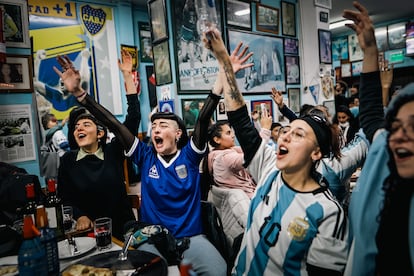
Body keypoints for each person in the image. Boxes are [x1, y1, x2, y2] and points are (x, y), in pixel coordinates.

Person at [54, 31, 253, 275]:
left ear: (179, 133)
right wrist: (79, 94)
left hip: (192, 239)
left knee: (220, 271)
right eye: (154, 125)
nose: (156, 128)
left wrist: (225, 72)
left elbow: (203, 117)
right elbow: (113, 123)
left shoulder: (190, 156)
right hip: (152, 238)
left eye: (164, 125)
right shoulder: (145, 155)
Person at [209, 27, 348, 274]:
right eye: (287, 130)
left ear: (316, 153)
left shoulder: (327, 212)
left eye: (298, 134)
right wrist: (225, 65)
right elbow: (240, 120)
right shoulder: (269, 166)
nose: (286, 135)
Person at [341, 2, 413, 275]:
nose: (401, 134)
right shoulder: (386, 146)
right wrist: (370, 52)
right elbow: (371, 114)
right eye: (396, 125)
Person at [56, 49, 138, 241]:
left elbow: (133, 119)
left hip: (123, 230)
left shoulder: (113, 151)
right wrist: (80, 215)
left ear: (100, 133)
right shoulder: (68, 160)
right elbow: (64, 199)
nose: (79, 129)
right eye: (76, 127)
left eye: (86, 124)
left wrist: (127, 75)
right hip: (88, 234)